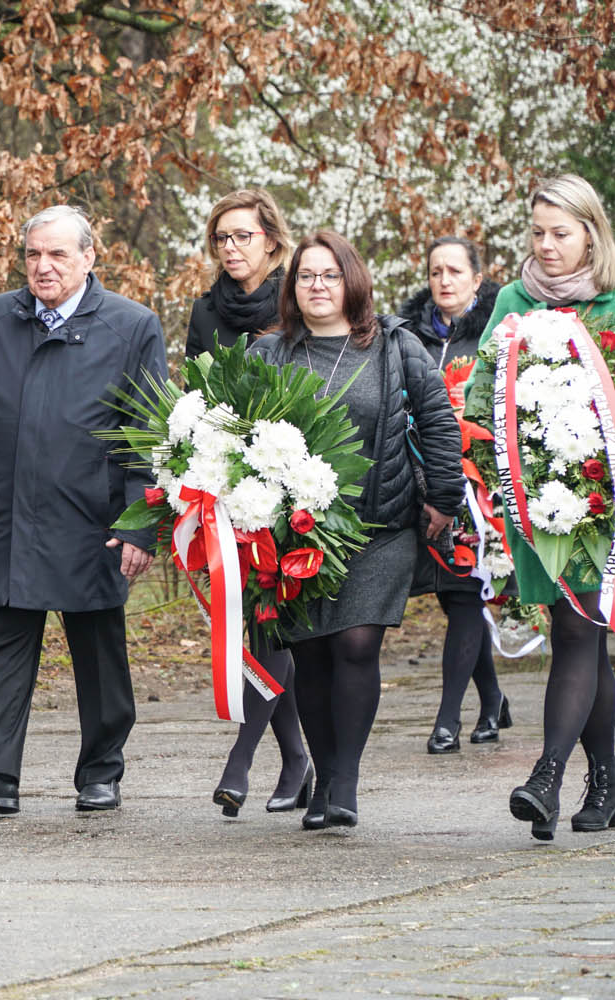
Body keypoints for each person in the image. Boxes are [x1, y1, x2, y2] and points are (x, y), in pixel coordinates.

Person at [0, 205, 162, 816]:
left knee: (98, 652)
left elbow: (148, 436)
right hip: (6, 517)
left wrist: (141, 522)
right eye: (34, 254)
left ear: (89, 257)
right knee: (4, 643)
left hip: (95, 521)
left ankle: (101, 772)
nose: (44, 266)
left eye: (58, 254)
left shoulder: (132, 326)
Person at [250, 231, 462, 829]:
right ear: (292, 287)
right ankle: (322, 778)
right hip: (298, 536)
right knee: (312, 655)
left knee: (356, 643)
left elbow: (440, 419)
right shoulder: (270, 353)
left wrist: (444, 498)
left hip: (381, 525)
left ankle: (344, 780)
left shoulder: (394, 346)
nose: (317, 286)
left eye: (330, 275)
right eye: (306, 276)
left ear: (353, 281)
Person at [468, 174, 615, 839]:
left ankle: (548, 778)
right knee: (581, 636)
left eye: (561, 233)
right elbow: (480, 388)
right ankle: (606, 782)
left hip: (602, 494)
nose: (547, 246)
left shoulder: (611, 304)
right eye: (538, 233)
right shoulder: (512, 300)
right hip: (533, 500)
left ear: (591, 232)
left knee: (581, 631)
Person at [186, 189, 313, 817]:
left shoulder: (301, 297)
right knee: (262, 618)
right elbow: (195, 395)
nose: (231, 249)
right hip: (228, 481)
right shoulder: (205, 313)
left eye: (242, 236)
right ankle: (295, 759)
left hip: (296, 476)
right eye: (221, 239)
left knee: (273, 617)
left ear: (271, 239)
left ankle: (242, 761)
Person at [399, 237, 509, 754]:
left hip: (481, 483)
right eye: (435, 270)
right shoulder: (409, 337)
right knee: (453, 592)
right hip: (425, 479)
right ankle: (491, 699)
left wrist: (476, 404)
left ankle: (447, 720)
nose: (444, 280)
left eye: (455, 271)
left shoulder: (494, 332)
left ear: (476, 279)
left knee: (465, 588)